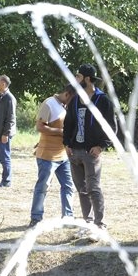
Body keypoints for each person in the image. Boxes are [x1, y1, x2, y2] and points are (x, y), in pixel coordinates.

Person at [63, 63, 116, 241]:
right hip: (74, 152)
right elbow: (68, 123)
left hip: (91, 152)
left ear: (86, 79)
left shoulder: (103, 100)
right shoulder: (75, 99)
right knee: (81, 190)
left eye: (78, 77)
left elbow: (111, 126)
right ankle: (87, 223)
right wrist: (66, 143)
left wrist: (101, 146)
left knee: (93, 188)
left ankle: (99, 226)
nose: (75, 80)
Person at [29, 84, 77, 227]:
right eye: (73, 99)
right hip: (47, 155)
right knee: (43, 186)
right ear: (67, 94)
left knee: (68, 186)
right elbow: (40, 126)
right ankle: (36, 218)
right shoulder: (49, 103)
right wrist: (61, 132)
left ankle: (68, 216)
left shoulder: (67, 106)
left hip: (64, 154)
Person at [0, 74, 17, 188]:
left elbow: (11, 118)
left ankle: (6, 181)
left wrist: (6, 133)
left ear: (3, 84)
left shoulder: (9, 98)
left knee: (4, 158)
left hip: (4, 134)